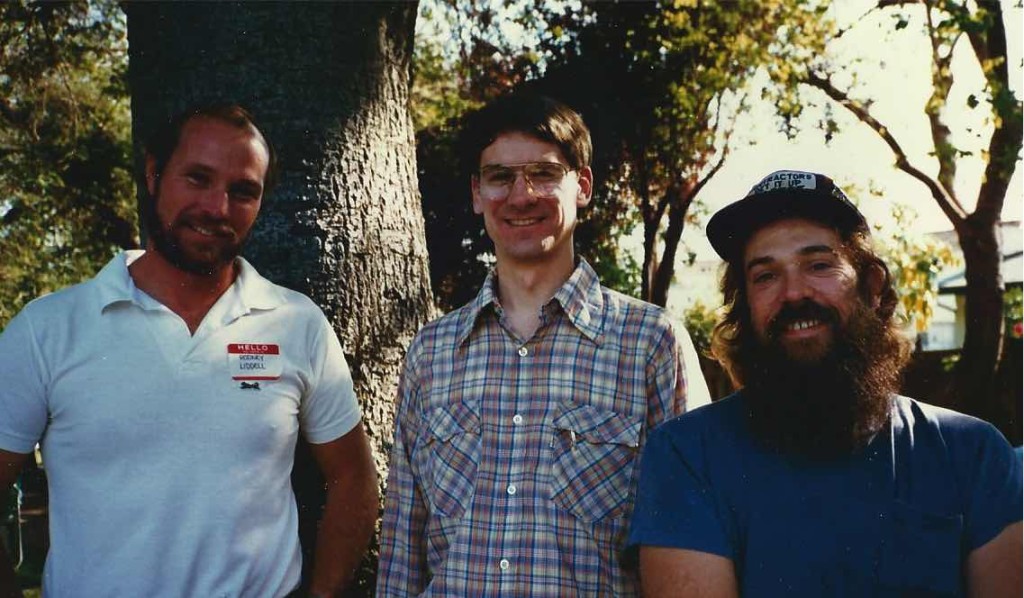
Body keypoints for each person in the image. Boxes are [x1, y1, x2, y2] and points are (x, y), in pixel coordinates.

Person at [0, 103, 378, 597]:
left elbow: (353, 476)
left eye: (242, 191)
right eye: (198, 178)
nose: (218, 208)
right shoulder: (49, 328)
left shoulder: (296, 323)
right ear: (154, 173)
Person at [376, 93, 711, 596]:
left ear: (583, 186)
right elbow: (403, 548)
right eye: (500, 177)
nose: (520, 195)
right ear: (476, 193)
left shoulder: (652, 344)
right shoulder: (432, 352)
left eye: (544, 174)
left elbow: (695, 537)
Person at [629, 170, 1023, 596]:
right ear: (744, 305)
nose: (794, 293)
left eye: (818, 265)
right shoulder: (686, 455)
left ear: (872, 288)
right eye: (765, 275)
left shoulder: (973, 455)